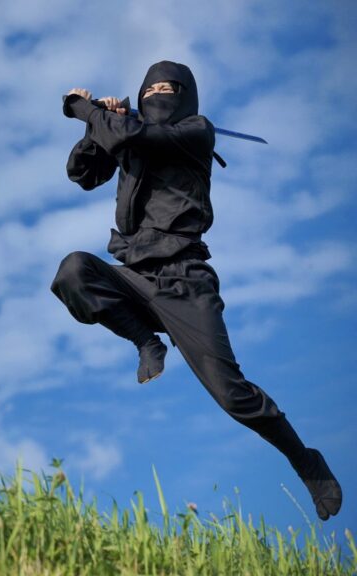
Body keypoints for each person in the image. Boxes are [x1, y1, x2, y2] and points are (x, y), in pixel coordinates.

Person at [50, 60, 342, 521]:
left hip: (186, 282)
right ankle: (146, 341)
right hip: (135, 277)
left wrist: (83, 107)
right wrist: (97, 123)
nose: (157, 96)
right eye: (150, 90)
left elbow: (131, 136)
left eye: (168, 89)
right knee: (73, 271)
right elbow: (82, 173)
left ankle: (306, 460)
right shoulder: (125, 130)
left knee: (233, 396)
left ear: (185, 97)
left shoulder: (196, 130)